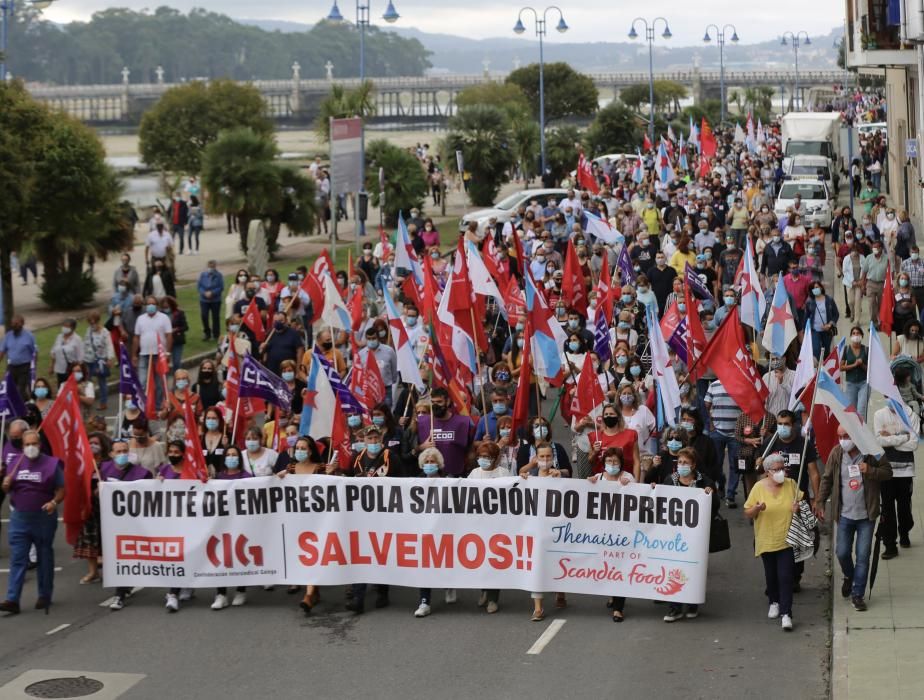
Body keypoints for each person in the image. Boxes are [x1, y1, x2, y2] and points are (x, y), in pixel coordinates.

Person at [814, 427, 892, 612]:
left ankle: (857, 594)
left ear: (856, 436)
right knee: (841, 552)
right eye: (840, 436)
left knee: (863, 556)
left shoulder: (872, 451)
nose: (843, 440)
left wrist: (870, 470)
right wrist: (820, 501)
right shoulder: (837, 453)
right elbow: (827, 479)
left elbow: (888, 472)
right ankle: (850, 576)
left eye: (846, 436)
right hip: (844, 515)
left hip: (866, 515)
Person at [0, 430, 64, 614]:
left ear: (40, 444)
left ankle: (44, 595)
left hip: (43, 518)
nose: (31, 447)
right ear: (22, 446)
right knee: (18, 559)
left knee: (44, 556)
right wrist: (5, 483)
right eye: (27, 444)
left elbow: (61, 489)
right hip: (19, 517)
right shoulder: (15, 463)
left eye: (34, 443)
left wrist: (54, 502)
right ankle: (12, 599)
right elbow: (7, 488)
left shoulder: (52, 464)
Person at [744, 453, 801, 631]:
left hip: (787, 539)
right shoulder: (758, 487)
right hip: (766, 539)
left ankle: (786, 613)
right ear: (768, 472)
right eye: (776, 469)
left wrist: (797, 509)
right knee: (772, 575)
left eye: (782, 468)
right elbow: (748, 512)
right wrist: (757, 508)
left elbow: (800, 504)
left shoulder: (791, 484)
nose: (781, 472)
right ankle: (774, 601)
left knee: (785, 576)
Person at [662, 448, 719, 623]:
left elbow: (715, 507)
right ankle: (675, 607)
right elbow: (661, 502)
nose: (682, 466)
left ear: (693, 465)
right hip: (674, 535)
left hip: (696, 536)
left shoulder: (704, 482)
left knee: (693, 568)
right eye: (679, 462)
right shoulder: (669, 481)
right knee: (674, 568)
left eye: (685, 462)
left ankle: (692, 602)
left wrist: (711, 494)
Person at [105, 440, 155, 611]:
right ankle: (120, 592)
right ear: (111, 454)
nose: (122, 454)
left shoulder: (142, 473)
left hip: (136, 523)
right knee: (118, 556)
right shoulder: (103, 470)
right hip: (112, 524)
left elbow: (153, 495)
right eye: (118, 451)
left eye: (125, 451)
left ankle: (123, 590)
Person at [587, 446, 636, 621]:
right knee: (606, 566)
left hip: (623, 532)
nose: (612, 464)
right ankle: (611, 593)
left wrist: (629, 487)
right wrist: (589, 483)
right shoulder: (598, 478)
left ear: (621, 463)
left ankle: (618, 608)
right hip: (602, 533)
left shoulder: (627, 477)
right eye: (609, 461)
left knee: (620, 566)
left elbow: (637, 499)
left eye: (615, 461)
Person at [873, 403, 918, 559]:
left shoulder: (910, 414)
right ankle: (890, 545)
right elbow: (879, 441)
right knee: (887, 509)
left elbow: (914, 443)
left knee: (904, 508)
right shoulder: (879, 414)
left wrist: (890, 438)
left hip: (906, 470)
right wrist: (904, 436)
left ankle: (904, 531)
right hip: (886, 470)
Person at [415, 387, 473, 477]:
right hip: (431, 475)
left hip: (456, 476)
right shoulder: (422, 422)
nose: (435, 405)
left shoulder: (462, 422)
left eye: (439, 402)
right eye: (433, 402)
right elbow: (409, 450)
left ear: (448, 402)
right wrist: (421, 447)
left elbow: (470, 448)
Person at [704, 378, 741, 507]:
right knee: (716, 464)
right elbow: (706, 405)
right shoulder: (713, 386)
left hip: (736, 434)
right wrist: (711, 425)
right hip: (717, 432)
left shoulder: (740, 384)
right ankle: (720, 484)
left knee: (735, 465)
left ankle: (730, 495)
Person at [133, 296, 173, 407]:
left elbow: (169, 335)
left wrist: (168, 353)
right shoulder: (140, 319)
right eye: (148, 304)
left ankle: (158, 404)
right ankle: (143, 404)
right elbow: (136, 337)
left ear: (157, 305)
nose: (151, 306)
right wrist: (134, 355)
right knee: (142, 381)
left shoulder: (164, 318)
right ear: (145, 306)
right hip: (144, 354)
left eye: (153, 304)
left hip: (159, 355)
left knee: (159, 382)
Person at [0, 315, 38, 400]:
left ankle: (24, 407)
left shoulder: (29, 336)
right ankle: (22, 402)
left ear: (22, 323)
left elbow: (35, 352)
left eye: (16, 323)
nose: (14, 325)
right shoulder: (8, 336)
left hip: (24, 367)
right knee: (9, 388)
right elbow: (2, 351)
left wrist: (34, 368)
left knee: (20, 389)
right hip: (11, 367)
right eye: (12, 323)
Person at [841, 326, 870, 420]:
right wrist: (854, 365)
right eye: (854, 333)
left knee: (861, 409)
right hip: (850, 384)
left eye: (858, 333)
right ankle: (853, 433)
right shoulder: (846, 349)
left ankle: (863, 432)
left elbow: (871, 370)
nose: (856, 335)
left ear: (862, 336)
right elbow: (841, 367)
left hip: (864, 383)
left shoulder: (866, 350)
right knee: (852, 411)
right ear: (850, 336)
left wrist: (862, 365)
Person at [804, 281, 839, 358]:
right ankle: (817, 368)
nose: (815, 289)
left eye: (817, 287)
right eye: (813, 288)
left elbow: (836, 314)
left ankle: (824, 367)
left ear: (821, 288)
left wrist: (830, 324)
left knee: (826, 351)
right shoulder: (809, 302)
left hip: (827, 331)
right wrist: (805, 331)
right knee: (816, 350)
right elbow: (806, 317)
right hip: (815, 330)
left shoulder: (829, 300)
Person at [49, 318, 84, 387]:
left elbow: (81, 356)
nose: (64, 328)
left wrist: (78, 368)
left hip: (72, 370)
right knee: (61, 389)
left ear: (73, 328)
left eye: (67, 326)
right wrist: (52, 366)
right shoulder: (59, 337)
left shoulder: (77, 339)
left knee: (72, 389)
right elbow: (54, 352)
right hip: (60, 370)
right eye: (64, 326)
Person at [197, 259, 224, 341]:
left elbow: (221, 287)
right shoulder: (202, 275)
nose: (211, 268)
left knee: (215, 317)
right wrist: (204, 293)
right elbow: (199, 286)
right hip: (204, 300)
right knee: (204, 316)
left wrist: (212, 292)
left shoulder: (219, 275)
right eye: (209, 266)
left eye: (213, 266)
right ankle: (207, 333)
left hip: (215, 300)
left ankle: (216, 334)